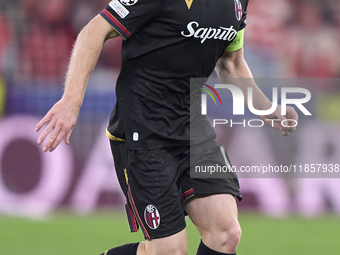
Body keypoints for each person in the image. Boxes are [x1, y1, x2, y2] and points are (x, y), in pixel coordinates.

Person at [36, 1, 298, 254]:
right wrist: (72, 100)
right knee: (168, 251)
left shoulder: (237, 3)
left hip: (193, 129)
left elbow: (232, 62)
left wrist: (266, 108)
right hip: (144, 131)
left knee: (225, 234)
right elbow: (95, 30)